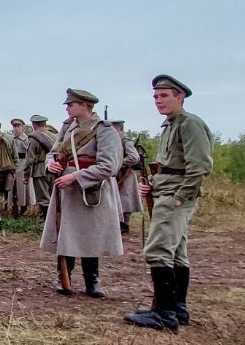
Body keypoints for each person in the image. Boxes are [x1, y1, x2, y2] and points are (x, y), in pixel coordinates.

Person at [125, 75, 213, 331]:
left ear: (180, 97)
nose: (158, 101)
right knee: (176, 252)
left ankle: (164, 314)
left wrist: (178, 197)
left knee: (158, 251)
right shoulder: (170, 124)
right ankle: (177, 308)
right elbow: (171, 165)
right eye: (155, 96)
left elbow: (199, 167)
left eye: (164, 96)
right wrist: (152, 184)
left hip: (174, 198)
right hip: (166, 192)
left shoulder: (189, 124)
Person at [40, 89, 124, 298]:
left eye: (71, 104)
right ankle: (63, 276)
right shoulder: (68, 127)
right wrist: (50, 164)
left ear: (84, 105)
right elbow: (53, 152)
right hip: (66, 189)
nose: (67, 108)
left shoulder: (104, 130)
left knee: (90, 235)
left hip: (91, 189)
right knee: (65, 233)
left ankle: (92, 280)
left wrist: (76, 177)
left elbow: (109, 166)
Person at [113, 119, 142, 234]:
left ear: (118, 128)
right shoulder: (117, 140)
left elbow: (134, 158)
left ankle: (125, 225)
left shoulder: (125, 141)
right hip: (118, 174)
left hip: (126, 175)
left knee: (125, 200)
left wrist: (118, 164)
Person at [27, 114, 57, 213]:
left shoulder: (34, 137)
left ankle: (46, 222)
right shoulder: (54, 136)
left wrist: (26, 175)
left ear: (34, 124)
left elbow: (29, 159)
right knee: (54, 196)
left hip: (39, 169)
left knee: (43, 198)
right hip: (53, 168)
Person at [7, 118, 32, 217]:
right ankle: (12, 207)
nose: (16, 128)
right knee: (12, 187)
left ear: (22, 127)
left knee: (23, 187)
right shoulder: (11, 139)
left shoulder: (27, 139)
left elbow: (30, 153)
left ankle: (24, 207)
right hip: (13, 164)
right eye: (14, 126)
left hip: (23, 164)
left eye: (18, 126)